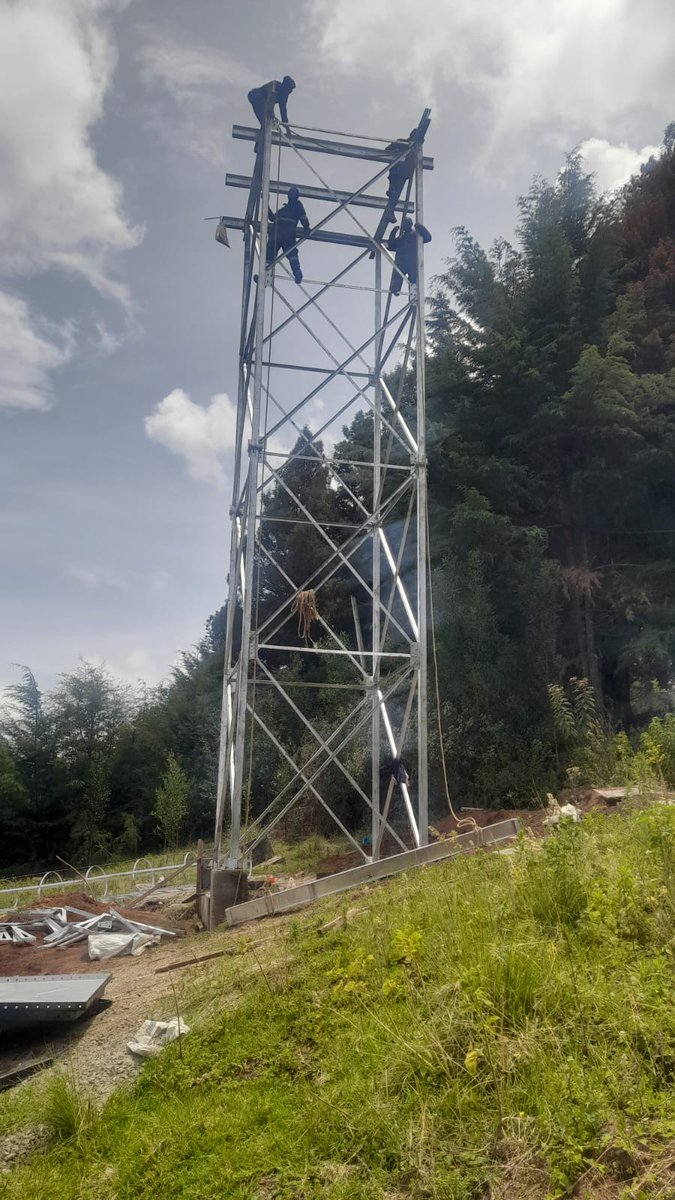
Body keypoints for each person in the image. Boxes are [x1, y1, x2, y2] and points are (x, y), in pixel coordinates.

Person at [266, 186, 310, 284]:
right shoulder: (283, 210)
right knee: (270, 254)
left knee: (291, 253)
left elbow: (303, 216)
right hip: (277, 233)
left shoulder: (297, 205)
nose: (290, 194)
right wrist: (266, 203)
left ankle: (297, 273)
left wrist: (306, 227)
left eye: (293, 192)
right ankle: (265, 276)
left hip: (286, 232)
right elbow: (272, 218)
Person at [388, 217, 431, 297]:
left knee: (413, 282)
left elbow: (428, 238)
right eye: (404, 224)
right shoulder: (401, 238)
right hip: (401, 262)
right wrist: (393, 232)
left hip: (412, 262)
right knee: (397, 276)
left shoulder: (416, 235)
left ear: (410, 224)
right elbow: (391, 245)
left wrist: (420, 227)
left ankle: (413, 297)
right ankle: (396, 289)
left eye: (407, 223)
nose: (405, 225)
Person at [383, 129, 418, 224]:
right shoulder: (401, 142)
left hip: (403, 174)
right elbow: (387, 150)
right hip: (396, 172)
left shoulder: (416, 148)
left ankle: (390, 212)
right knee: (394, 191)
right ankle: (390, 211)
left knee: (395, 193)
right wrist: (395, 152)